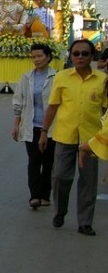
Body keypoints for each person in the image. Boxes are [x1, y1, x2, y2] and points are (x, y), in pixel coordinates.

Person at [39, 39, 107, 236]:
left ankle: (85, 222)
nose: (80, 57)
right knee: (60, 176)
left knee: (88, 182)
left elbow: (106, 110)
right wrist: (44, 132)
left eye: (85, 54)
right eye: (76, 53)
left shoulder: (102, 79)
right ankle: (60, 211)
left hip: (91, 140)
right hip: (64, 136)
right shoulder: (61, 77)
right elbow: (53, 106)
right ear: (70, 56)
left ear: (92, 56)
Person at [12, 43, 58, 210]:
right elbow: (19, 101)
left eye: (39, 56)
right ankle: (34, 196)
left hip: (52, 127)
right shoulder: (27, 77)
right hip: (31, 126)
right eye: (33, 57)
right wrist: (16, 124)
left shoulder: (57, 77)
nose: (36, 60)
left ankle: (45, 195)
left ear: (48, 57)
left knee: (48, 162)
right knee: (33, 161)